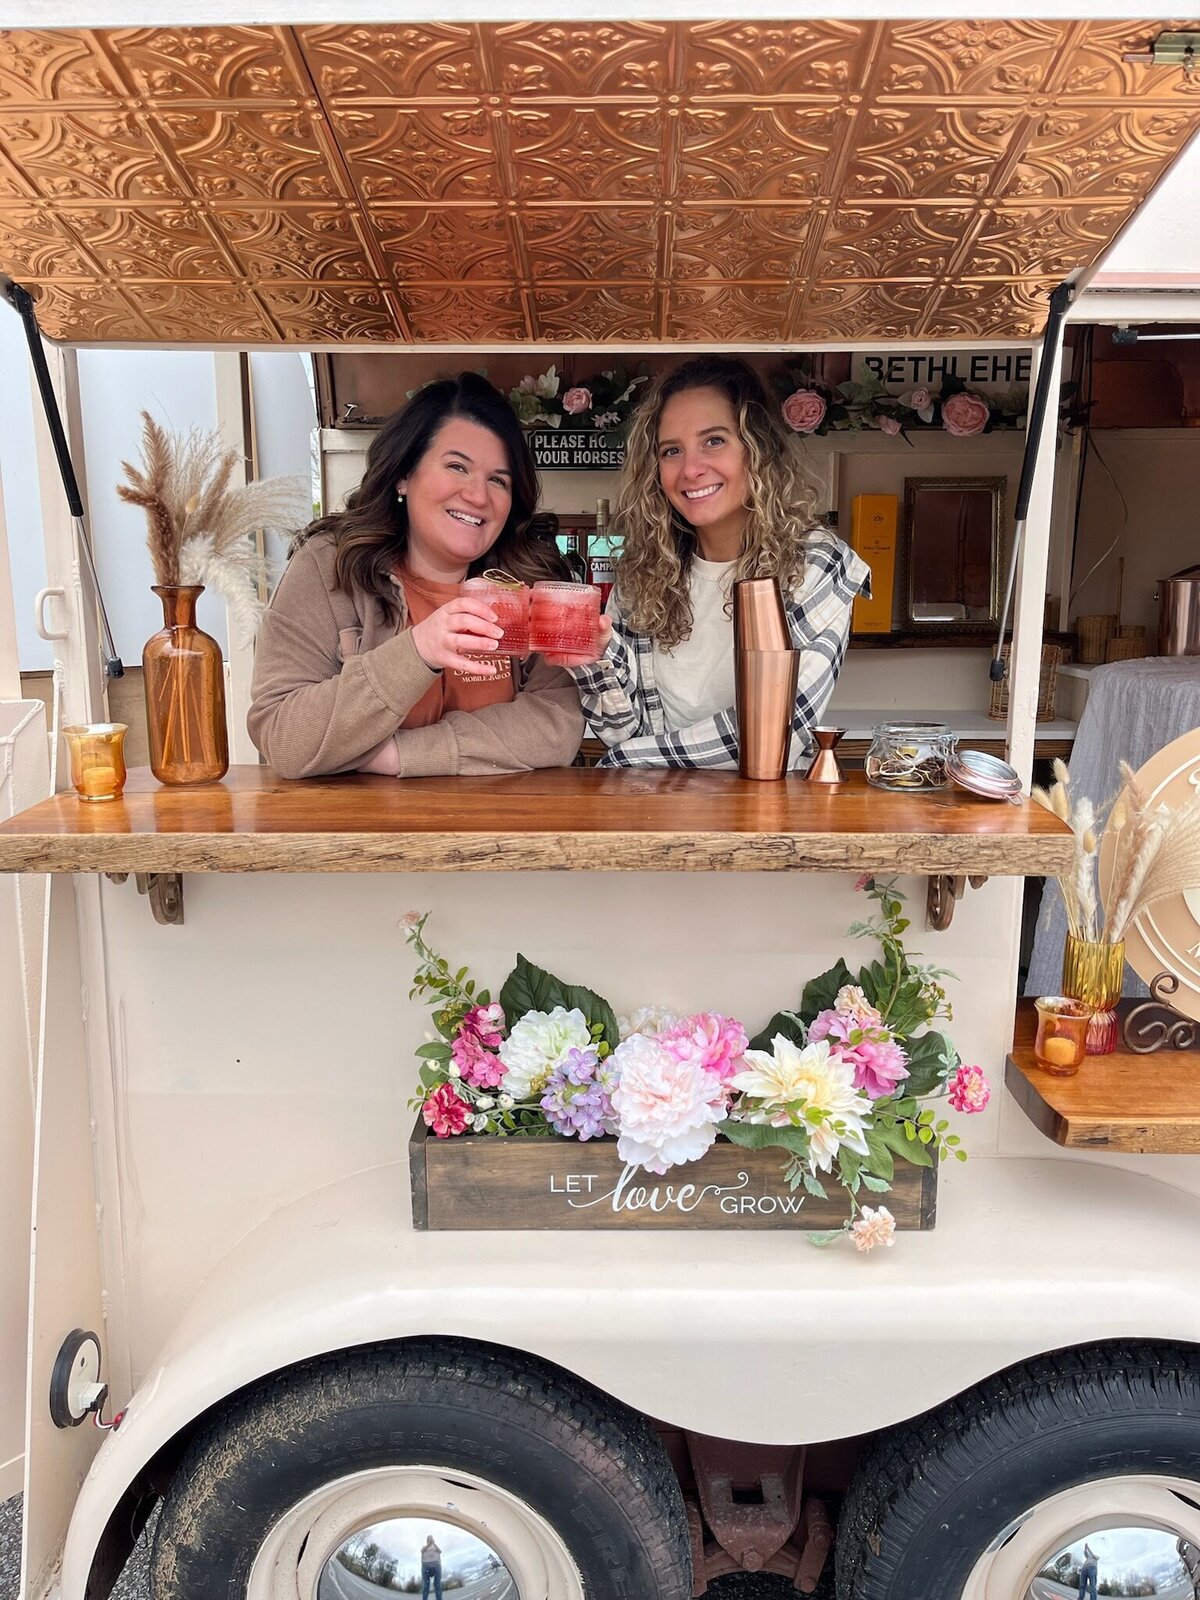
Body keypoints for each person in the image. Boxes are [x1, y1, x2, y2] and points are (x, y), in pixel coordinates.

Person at [248, 373, 584, 780]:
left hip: (502, 832)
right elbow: (284, 737)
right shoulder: (329, 567)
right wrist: (418, 651)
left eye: (498, 479)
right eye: (457, 467)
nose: (479, 496)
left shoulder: (526, 579)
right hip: (361, 835)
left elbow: (559, 723)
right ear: (404, 475)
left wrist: (402, 756)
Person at [567, 356, 870, 769]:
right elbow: (621, 731)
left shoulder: (817, 562)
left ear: (756, 449)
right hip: (651, 819)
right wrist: (597, 655)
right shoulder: (643, 573)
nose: (691, 469)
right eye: (671, 451)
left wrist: (624, 759)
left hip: (762, 822)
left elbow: (774, 729)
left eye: (714, 441)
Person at [420, 1533, 443, 1600]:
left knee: (438, 1585)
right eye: (429, 1539)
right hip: (426, 1566)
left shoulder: (435, 1547)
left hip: (436, 1566)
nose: (430, 1540)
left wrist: (434, 1544)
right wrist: (428, 1545)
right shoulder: (424, 1546)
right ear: (427, 1540)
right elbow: (422, 1551)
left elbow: (440, 1551)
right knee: (425, 1586)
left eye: (431, 1538)